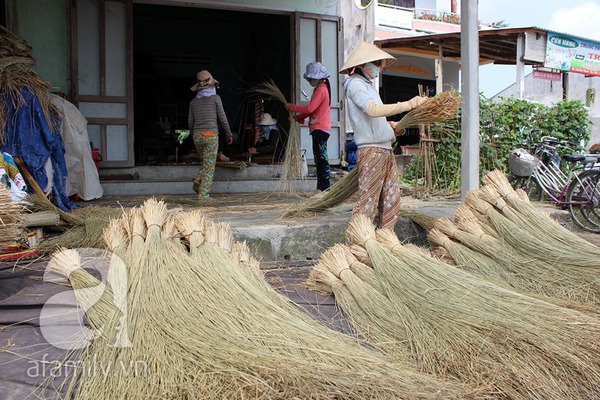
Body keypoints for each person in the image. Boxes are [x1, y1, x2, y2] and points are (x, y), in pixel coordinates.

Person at [340, 41, 428, 229]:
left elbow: (375, 119)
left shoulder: (368, 85)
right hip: (372, 151)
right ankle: (355, 245)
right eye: (378, 63)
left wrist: (392, 126)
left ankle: (385, 242)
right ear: (365, 64)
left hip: (385, 149)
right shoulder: (355, 84)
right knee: (368, 203)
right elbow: (372, 110)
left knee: (391, 202)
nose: (380, 68)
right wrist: (409, 105)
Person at [188, 70, 233, 201]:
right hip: (211, 135)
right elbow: (223, 118)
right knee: (209, 167)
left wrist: (194, 135)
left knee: (205, 163)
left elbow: (190, 122)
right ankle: (203, 196)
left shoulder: (193, 102)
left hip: (197, 135)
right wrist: (229, 134)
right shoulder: (215, 99)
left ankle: (199, 186)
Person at [286, 62, 332, 191]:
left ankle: (325, 189)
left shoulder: (321, 89)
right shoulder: (323, 88)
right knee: (320, 159)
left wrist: (291, 107)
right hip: (320, 128)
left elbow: (310, 108)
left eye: (311, 78)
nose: (310, 81)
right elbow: (313, 110)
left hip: (319, 129)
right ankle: (322, 188)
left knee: (321, 159)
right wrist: (298, 117)